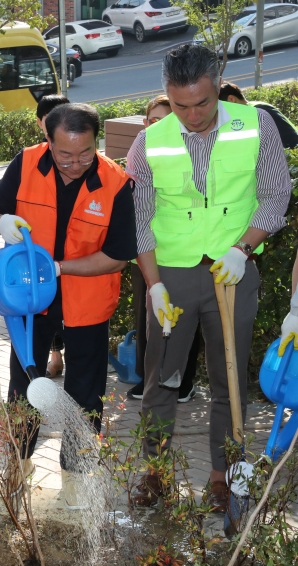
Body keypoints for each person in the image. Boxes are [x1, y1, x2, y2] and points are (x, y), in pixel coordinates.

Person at [127, 44, 291, 512]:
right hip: (172, 278)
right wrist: (154, 285)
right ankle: (154, 472)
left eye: (203, 102)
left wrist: (243, 249)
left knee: (230, 380)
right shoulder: (147, 142)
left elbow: (276, 195)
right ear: (166, 96)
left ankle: (223, 476)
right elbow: (139, 222)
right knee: (162, 378)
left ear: (218, 86)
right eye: (181, 105)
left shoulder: (256, 126)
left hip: (232, 274)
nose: (193, 114)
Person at [0, 103, 137, 508]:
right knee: (25, 384)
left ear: (95, 143)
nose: (75, 163)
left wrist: (59, 268)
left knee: (86, 391)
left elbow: (118, 255)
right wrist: (0, 223)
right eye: (65, 154)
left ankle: (77, 475)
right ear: (47, 139)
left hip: (87, 299)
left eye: (85, 153)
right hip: (31, 302)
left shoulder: (116, 182)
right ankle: (18, 465)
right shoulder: (27, 162)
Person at [126, 95, 197, 403]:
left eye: (169, 119)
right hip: (148, 252)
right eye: (155, 120)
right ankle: (148, 377)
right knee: (148, 319)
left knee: (187, 318)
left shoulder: (193, 153)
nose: (162, 125)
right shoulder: (143, 150)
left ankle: (185, 380)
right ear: (146, 123)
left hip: (184, 254)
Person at [35, 94, 70, 377]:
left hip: (75, 260)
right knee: (47, 311)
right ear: (40, 124)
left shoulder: (86, 160)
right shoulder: (29, 162)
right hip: (44, 258)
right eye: (50, 120)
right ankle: (55, 356)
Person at [218, 82, 298, 149]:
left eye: (219, 108)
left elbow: (291, 141)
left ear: (231, 99)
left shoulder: (260, 111)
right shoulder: (246, 113)